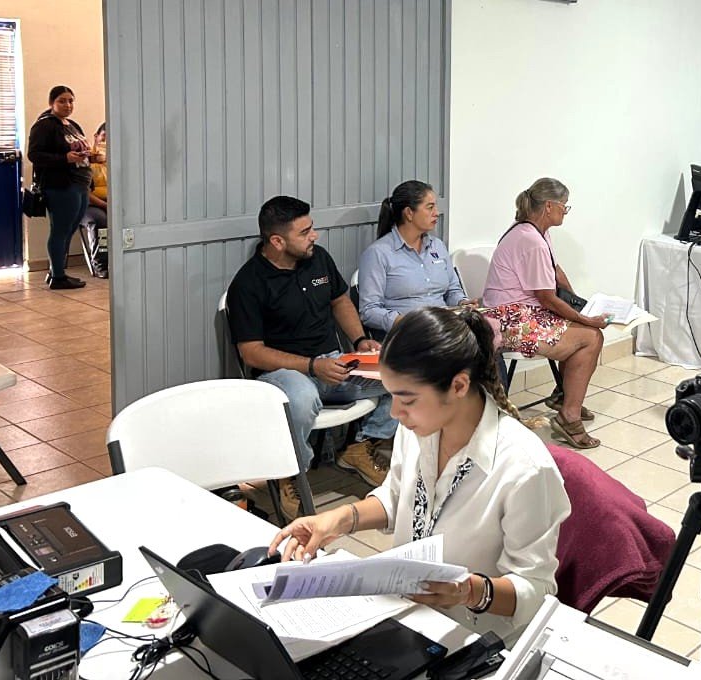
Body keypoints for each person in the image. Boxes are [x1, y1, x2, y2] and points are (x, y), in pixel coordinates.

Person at [269, 307, 570, 643]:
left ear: (458, 386)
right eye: (392, 396)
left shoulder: (524, 467)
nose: (396, 413)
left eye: (407, 400)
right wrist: (338, 520)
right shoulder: (419, 429)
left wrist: (470, 591)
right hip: (410, 617)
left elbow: (536, 590)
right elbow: (398, 498)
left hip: (475, 638)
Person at [227, 196, 397, 518]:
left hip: (334, 363)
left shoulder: (318, 258)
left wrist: (360, 340)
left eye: (312, 228)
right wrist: (311, 366)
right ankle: (291, 474)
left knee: (404, 373)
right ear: (277, 241)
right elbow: (251, 352)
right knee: (303, 398)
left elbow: (340, 301)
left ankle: (362, 445)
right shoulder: (248, 284)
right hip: (284, 373)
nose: (314, 236)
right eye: (304, 232)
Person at [482, 178, 607, 449]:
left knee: (585, 332)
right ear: (549, 206)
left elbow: (556, 271)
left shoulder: (537, 232)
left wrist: (579, 305)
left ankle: (565, 397)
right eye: (564, 206)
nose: (565, 211)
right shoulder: (530, 240)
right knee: (591, 337)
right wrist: (585, 319)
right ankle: (569, 416)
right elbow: (547, 297)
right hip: (509, 319)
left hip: (525, 311)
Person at [358, 180, 468, 339]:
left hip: (444, 330)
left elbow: (452, 290)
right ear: (409, 213)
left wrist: (462, 303)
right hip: (407, 335)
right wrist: (402, 321)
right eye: (430, 207)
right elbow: (369, 311)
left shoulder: (437, 246)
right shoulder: (378, 253)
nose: (436, 213)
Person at [28, 85, 91, 289]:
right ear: (51, 103)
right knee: (60, 230)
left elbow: (81, 149)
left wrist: (91, 156)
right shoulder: (44, 125)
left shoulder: (72, 125)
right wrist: (64, 158)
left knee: (69, 229)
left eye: (71, 101)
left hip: (80, 183)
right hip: (61, 186)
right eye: (62, 101)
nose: (67, 105)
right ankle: (58, 277)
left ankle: (56, 270)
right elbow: (34, 155)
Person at [83, 123, 108, 277]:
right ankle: (101, 264)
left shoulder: (117, 160)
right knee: (101, 221)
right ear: (96, 137)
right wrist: (105, 205)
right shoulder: (85, 160)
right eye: (104, 137)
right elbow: (84, 193)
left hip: (113, 203)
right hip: (90, 204)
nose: (106, 143)